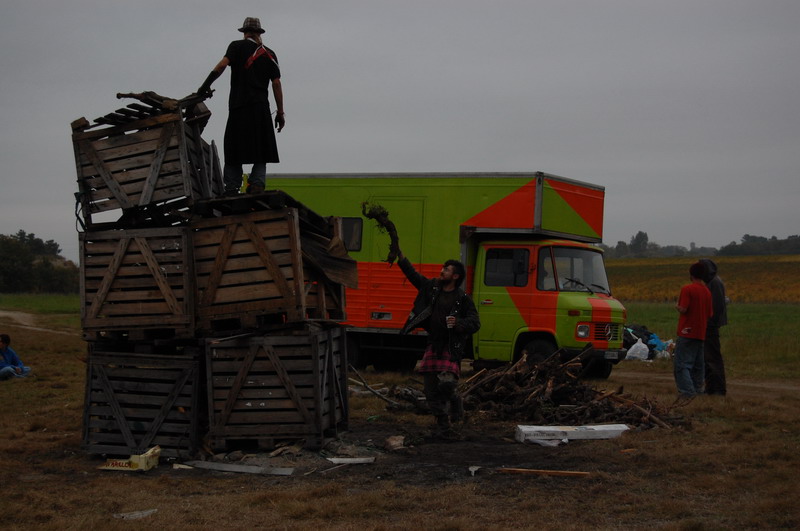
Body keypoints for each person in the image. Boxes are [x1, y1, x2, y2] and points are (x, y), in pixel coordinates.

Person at [396, 250, 480, 437]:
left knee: (447, 385)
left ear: (455, 276)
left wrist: (458, 323)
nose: (442, 271)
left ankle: (455, 401)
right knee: (430, 391)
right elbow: (413, 276)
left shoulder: (463, 299)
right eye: (443, 268)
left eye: (446, 270)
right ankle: (444, 426)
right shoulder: (432, 288)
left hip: (451, 348)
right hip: (433, 345)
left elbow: (475, 323)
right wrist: (401, 258)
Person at [197, 16, 285, 196]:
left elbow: (222, 65)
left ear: (244, 33)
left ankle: (231, 187)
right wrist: (281, 112)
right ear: (259, 33)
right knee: (262, 147)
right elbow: (276, 83)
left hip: (238, 106)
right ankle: (257, 185)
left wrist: (204, 87)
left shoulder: (236, 46)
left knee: (233, 145)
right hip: (260, 107)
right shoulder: (270, 54)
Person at [672, 261, 713, 402]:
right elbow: (709, 314)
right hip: (700, 332)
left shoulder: (687, 289)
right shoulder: (707, 291)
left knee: (681, 364)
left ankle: (687, 392)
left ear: (691, 274)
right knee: (697, 365)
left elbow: (683, 308)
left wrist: (676, 306)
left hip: (686, 332)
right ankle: (697, 390)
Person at [700, 259, 728, 395]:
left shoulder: (714, 283)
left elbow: (716, 306)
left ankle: (717, 389)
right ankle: (711, 388)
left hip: (710, 326)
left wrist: (709, 322)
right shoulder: (713, 282)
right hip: (710, 325)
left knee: (712, 359)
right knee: (708, 359)